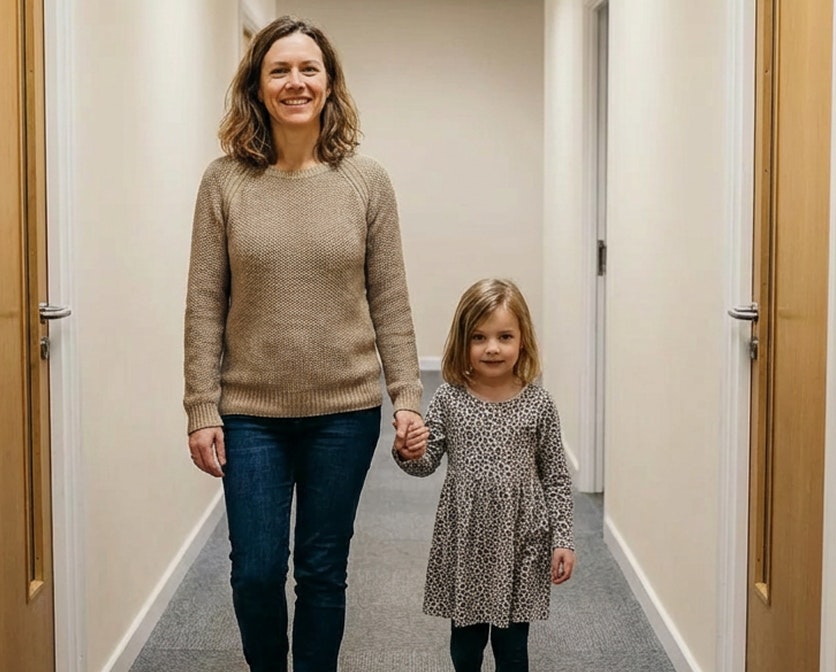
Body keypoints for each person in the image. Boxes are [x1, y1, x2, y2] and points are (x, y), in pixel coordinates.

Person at [183, 15, 425, 672]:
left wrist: (407, 395)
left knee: (322, 573)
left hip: (344, 413)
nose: (296, 82)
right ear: (258, 87)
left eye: (308, 69)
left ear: (329, 83)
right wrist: (201, 406)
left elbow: (390, 299)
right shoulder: (224, 182)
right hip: (251, 413)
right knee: (256, 573)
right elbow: (205, 304)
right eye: (280, 70)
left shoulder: (366, 182)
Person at [394, 278, 575, 672]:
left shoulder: (539, 403)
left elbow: (557, 477)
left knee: (513, 648)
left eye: (504, 336)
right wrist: (408, 451)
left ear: (523, 340)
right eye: (479, 337)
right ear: (463, 342)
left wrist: (563, 538)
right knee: (467, 644)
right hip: (467, 538)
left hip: (521, 537)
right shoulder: (448, 398)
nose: (492, 348)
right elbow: (426, 463)